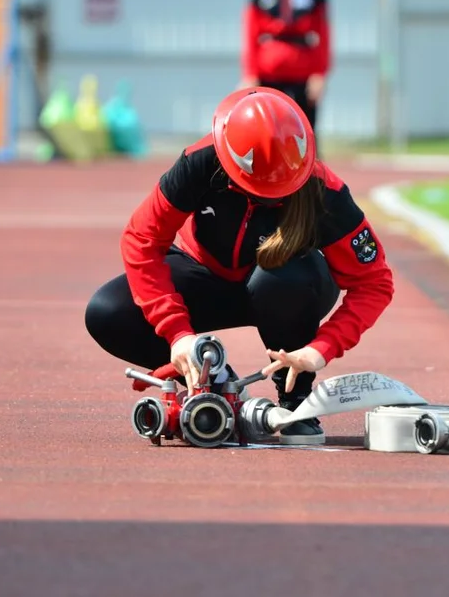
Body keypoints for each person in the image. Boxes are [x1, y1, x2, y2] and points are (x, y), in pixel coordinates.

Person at [84, 86, 394, 445]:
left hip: (284, 287)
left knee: (283, 281)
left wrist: (320, 349)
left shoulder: (326, 192)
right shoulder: (200, 163)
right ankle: (209, 380)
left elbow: (374, 282)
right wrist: (177, 334)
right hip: (202, 275)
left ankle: (296, 403)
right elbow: (142, 238)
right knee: (107, 312)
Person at [239, 0, 331, 134]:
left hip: (302, 76)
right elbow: (250, 34)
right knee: (266, 134)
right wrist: (250, 74)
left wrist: (320, 74)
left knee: (304, 134)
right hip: (268, 75)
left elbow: (324, 35)